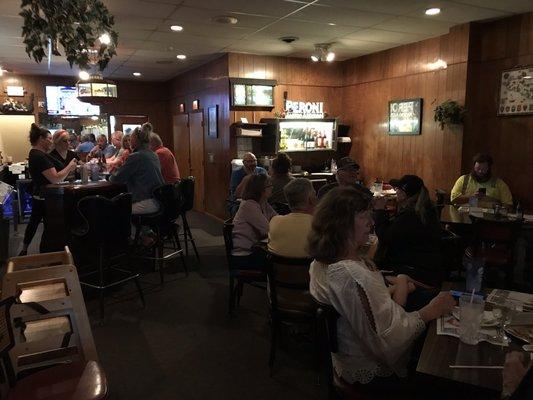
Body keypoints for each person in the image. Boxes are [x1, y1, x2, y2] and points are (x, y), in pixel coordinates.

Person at [308, 186, 455, 394]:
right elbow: (388, 341)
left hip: (343, 360)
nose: (372, 222)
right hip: (370, 374)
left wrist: (397, 288)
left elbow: (362, 309)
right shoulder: (350, 274)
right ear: (340, 223)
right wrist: (431, 310)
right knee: (444, 357)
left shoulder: (320, 262)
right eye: (363, 216)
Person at [374, 175, 444, 287]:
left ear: (405, 194)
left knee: (371, 273)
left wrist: (380, 210)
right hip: (428, 267)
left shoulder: (411, 215)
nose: (396, 191)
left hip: (415, 270)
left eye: (398, 189)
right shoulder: (425, 209)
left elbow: (385, 237)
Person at [19, 124, 77, 255]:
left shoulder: (37, 154)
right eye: (49, 139)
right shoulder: (39, 156)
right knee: (50, 225)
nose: (51, 142)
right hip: (46, 196)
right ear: (41, 139)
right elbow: (55, 178)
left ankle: (28, 250)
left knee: (40, 223)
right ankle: (46, 254)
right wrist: (69, 167)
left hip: (43, 194)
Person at [110, 125, 164, 215]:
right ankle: (143, 228)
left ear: (136, 140)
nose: (130, 141)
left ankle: (127, 229)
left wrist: (111, 175)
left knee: (114, 210)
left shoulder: (136, 156)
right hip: (158, 199)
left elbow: (116, 178)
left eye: (131, 138)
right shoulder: (153, 154)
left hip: (145, 201)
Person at [231, 174, 277, 271]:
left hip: (257, 248)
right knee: (279, 261)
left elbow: (277, 218)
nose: (272, 188)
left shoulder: (263, 202)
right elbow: (267, 229)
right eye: (269, 186)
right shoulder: (249, 205)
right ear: (260, 189)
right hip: (244, 255)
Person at [268, 178, 315, 258]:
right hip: (309, 269)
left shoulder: (274, 221)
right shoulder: (319, 224)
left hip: (278, 269)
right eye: (315, 194)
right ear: (310, 199)